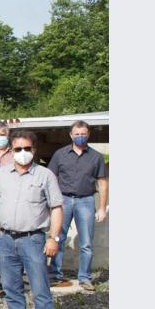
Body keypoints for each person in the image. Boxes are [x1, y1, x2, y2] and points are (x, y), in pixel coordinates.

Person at [0, 130, 63, 309]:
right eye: (18, 149)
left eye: (27, 148)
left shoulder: (45, 176)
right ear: (11, 150)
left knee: (40, 288)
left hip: (33, 239)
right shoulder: (0, 174)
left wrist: (54, 238)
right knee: (11, 286)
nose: (23, 152)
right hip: (6, 239)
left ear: (34, 150)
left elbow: (56, 207)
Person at [47, 121, 108, 291]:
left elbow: (102, 183)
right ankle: (55, 274)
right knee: (57, 237)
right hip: (63, 201)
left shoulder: (96, 157)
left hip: (86, 201)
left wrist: (102, 208)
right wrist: (49, 203)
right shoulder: (60, 154)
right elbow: (50, 178)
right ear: (71, 135)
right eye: (77, 134)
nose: (80, 136)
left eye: (83, 133)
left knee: (86, 242)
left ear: (88, 134)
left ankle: (85, 277)